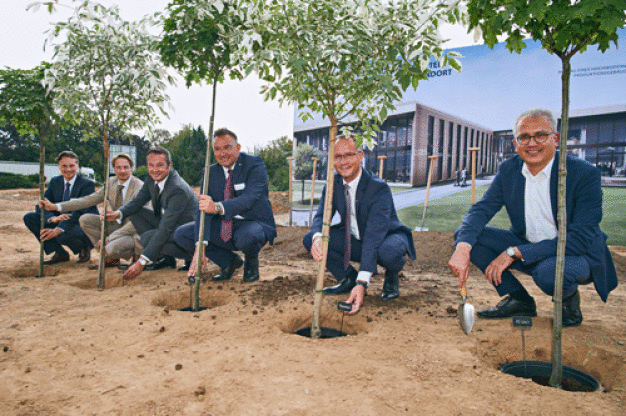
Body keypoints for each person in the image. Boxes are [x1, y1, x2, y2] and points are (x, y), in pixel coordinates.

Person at [448, 109, 618, 327]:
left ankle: (568, 301)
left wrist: (514, 252)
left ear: (555, 139)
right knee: (469, 238)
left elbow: (578, 240)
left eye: (540, 135)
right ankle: (519, 299)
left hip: (575, 254)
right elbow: (482, 209)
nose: (532, 143)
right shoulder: (509, 169)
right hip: (528, 245)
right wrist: (463, 248)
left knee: (549, 272)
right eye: (524, 137)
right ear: (515, 143)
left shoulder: (583, 174)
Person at [303, 136, 416, 314]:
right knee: (311, 238)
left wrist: (362, 283)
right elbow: (320, 218)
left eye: (349, 155)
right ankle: (348, 278)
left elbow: (373, 236)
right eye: (338, 157)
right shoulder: (332, 185)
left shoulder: (378, 188)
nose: (343, 161)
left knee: (389, 253)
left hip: (387, 238)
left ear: (360, 156)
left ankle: (392, 276)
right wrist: (317, 238)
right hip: (356, 239)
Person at [174, 128, 277, 283]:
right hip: (223, 224)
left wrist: (216, 207)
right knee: (183, 234)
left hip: (253, 223)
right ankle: (228, 262)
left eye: (227, 147)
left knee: (248, 237)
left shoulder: (255, 164)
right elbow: (203, 208)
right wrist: (199, 247)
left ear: (238, 147)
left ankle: (251, 263)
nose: (222, 153)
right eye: (217, 149)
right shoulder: (209, 172)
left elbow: (249, 198)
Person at [104, 147, 198, 280]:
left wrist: (141, 262)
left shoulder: (177, 189)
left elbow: (165, 228)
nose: (155, 170)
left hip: (186, 232)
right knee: (136, 212)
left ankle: (190, 255)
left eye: (160, 165)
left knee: (147, 238)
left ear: (169, 165)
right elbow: (137, 202)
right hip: (170, 224)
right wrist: (118, 213)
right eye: (151, 165)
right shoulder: (151, 178)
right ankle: (166, 259)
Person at [39, 153, 144, 270]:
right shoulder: (111, 182)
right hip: (117, 224)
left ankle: (135, 255)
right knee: (85, 219)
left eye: (126, 167)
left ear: (132, 168)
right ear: (113, 168)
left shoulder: (139, 187)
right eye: (118, 167)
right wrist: (56, 207)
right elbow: (88, 200)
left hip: (134, 229)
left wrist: (110, 238)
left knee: (110, 247)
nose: (122, 171)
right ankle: (110, 259)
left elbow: (139, 222)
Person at [23, 151, 98, 265]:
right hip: (58, 219)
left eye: (72, 166)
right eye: (64, 166)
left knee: (63, 234)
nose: (68, 169)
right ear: (59, 166)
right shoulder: (55, 182)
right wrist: (52, 218)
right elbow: (43, 205)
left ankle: (84, 248)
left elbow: (82, 210)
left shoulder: (87, 184)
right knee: (30, 217)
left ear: (77, 166)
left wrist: (59, 228)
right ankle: (60, 253)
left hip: (78, 222)